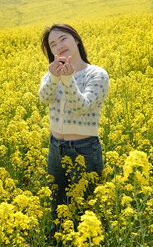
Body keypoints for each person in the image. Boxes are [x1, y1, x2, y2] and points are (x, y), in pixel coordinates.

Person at [38, 23, 109, 241]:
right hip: (55, 148)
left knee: (86, 213)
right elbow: (44, 97)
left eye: (63, 39)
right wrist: (54, 76)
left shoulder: (96, 74)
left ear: (76, 40)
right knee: (57, 209)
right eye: (53, 44)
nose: (59, 46)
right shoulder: (51, 74)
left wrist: (67, 79)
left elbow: (81, 106)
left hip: (85, 150)